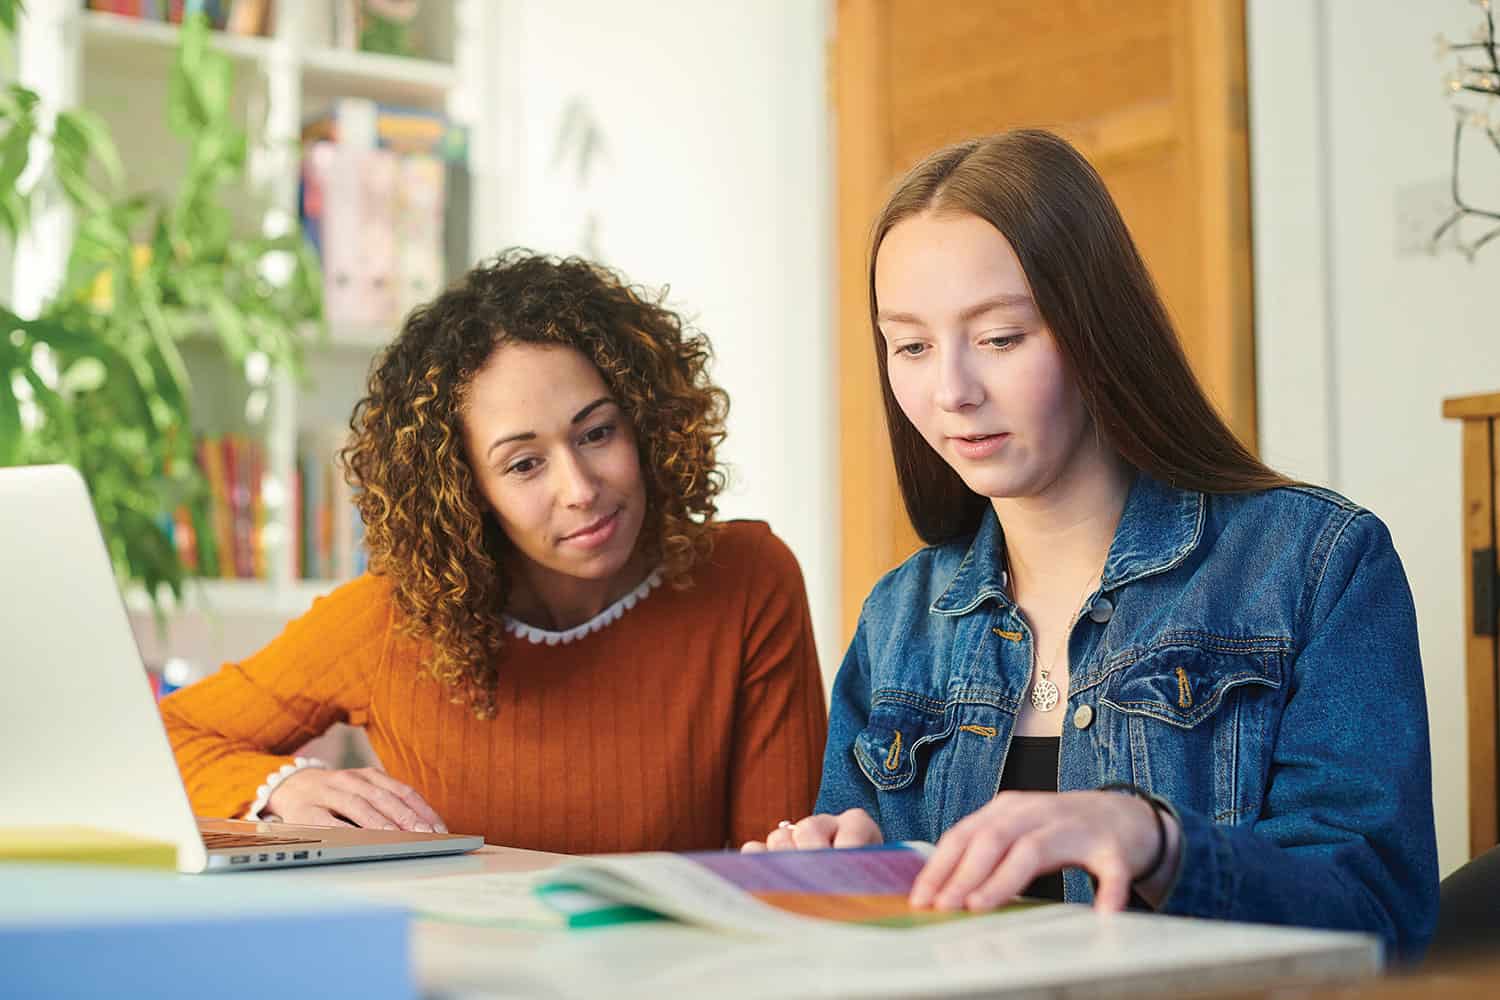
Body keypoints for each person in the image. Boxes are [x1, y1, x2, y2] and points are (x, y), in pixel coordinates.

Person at [743, 130, 1438, 961]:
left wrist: (1155, 841)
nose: (951, 392)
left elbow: (1378, 913)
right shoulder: (901, 617)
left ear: (1097, 329)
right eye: (912, 346)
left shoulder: (1316, 564)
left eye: (1000, 337)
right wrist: (849, 882)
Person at [161, 251, 827, 854]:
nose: (580, 489)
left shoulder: (746, 580)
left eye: (597, 432)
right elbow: (164, 737)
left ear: (646, 421)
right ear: (465, 489)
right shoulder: (390, 621)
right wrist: (283, 787)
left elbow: (777, 870)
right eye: (524, 464)